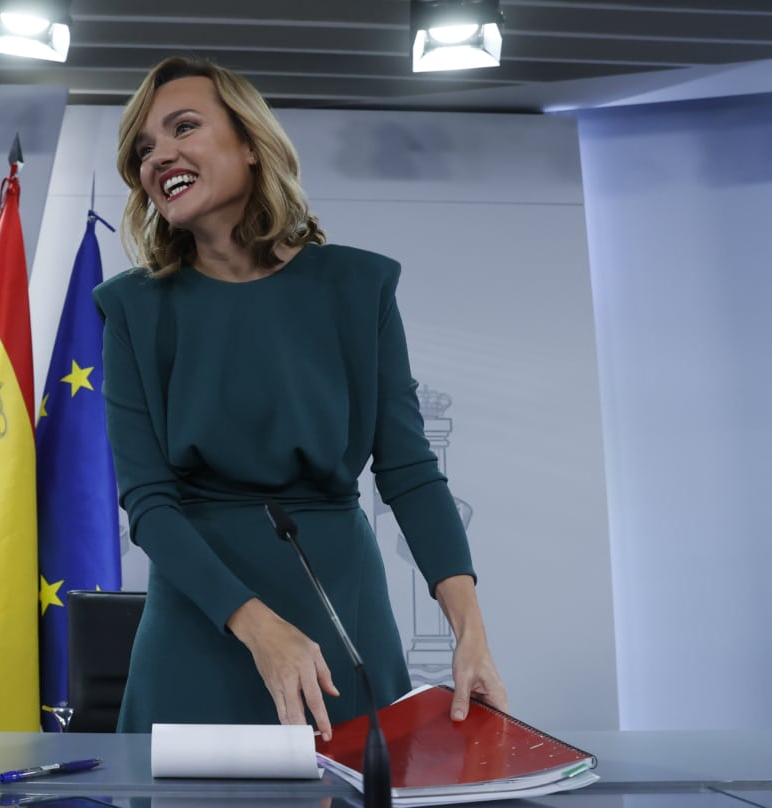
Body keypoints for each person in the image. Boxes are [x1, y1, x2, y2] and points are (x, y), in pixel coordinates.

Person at [91, 56, 507, 741]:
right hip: (202, 617)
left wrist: (471, 631)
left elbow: (407, 471)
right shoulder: (133, 310)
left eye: (183, 127)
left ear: (252, 145)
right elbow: (149, 505)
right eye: (143, 149)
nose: (158, 156)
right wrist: (257, 628)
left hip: (340, 610)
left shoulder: (357, 288)